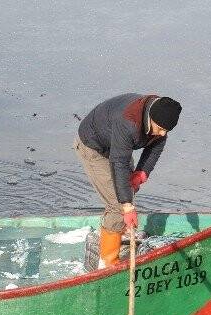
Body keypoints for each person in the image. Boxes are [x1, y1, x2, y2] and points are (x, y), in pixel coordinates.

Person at [73, 94, 182, 267]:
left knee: (127, 190)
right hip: (93, 146)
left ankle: (119, 229)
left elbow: (155, 148)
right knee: (118, 205)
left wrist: (142, 172)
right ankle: (108, 262)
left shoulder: (161, 117)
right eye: (160, 128)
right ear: (151, 118)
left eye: (166, 131)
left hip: (116, 144)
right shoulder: (129, 122)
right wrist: (126, 206)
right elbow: (119, 163)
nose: (163, 134)